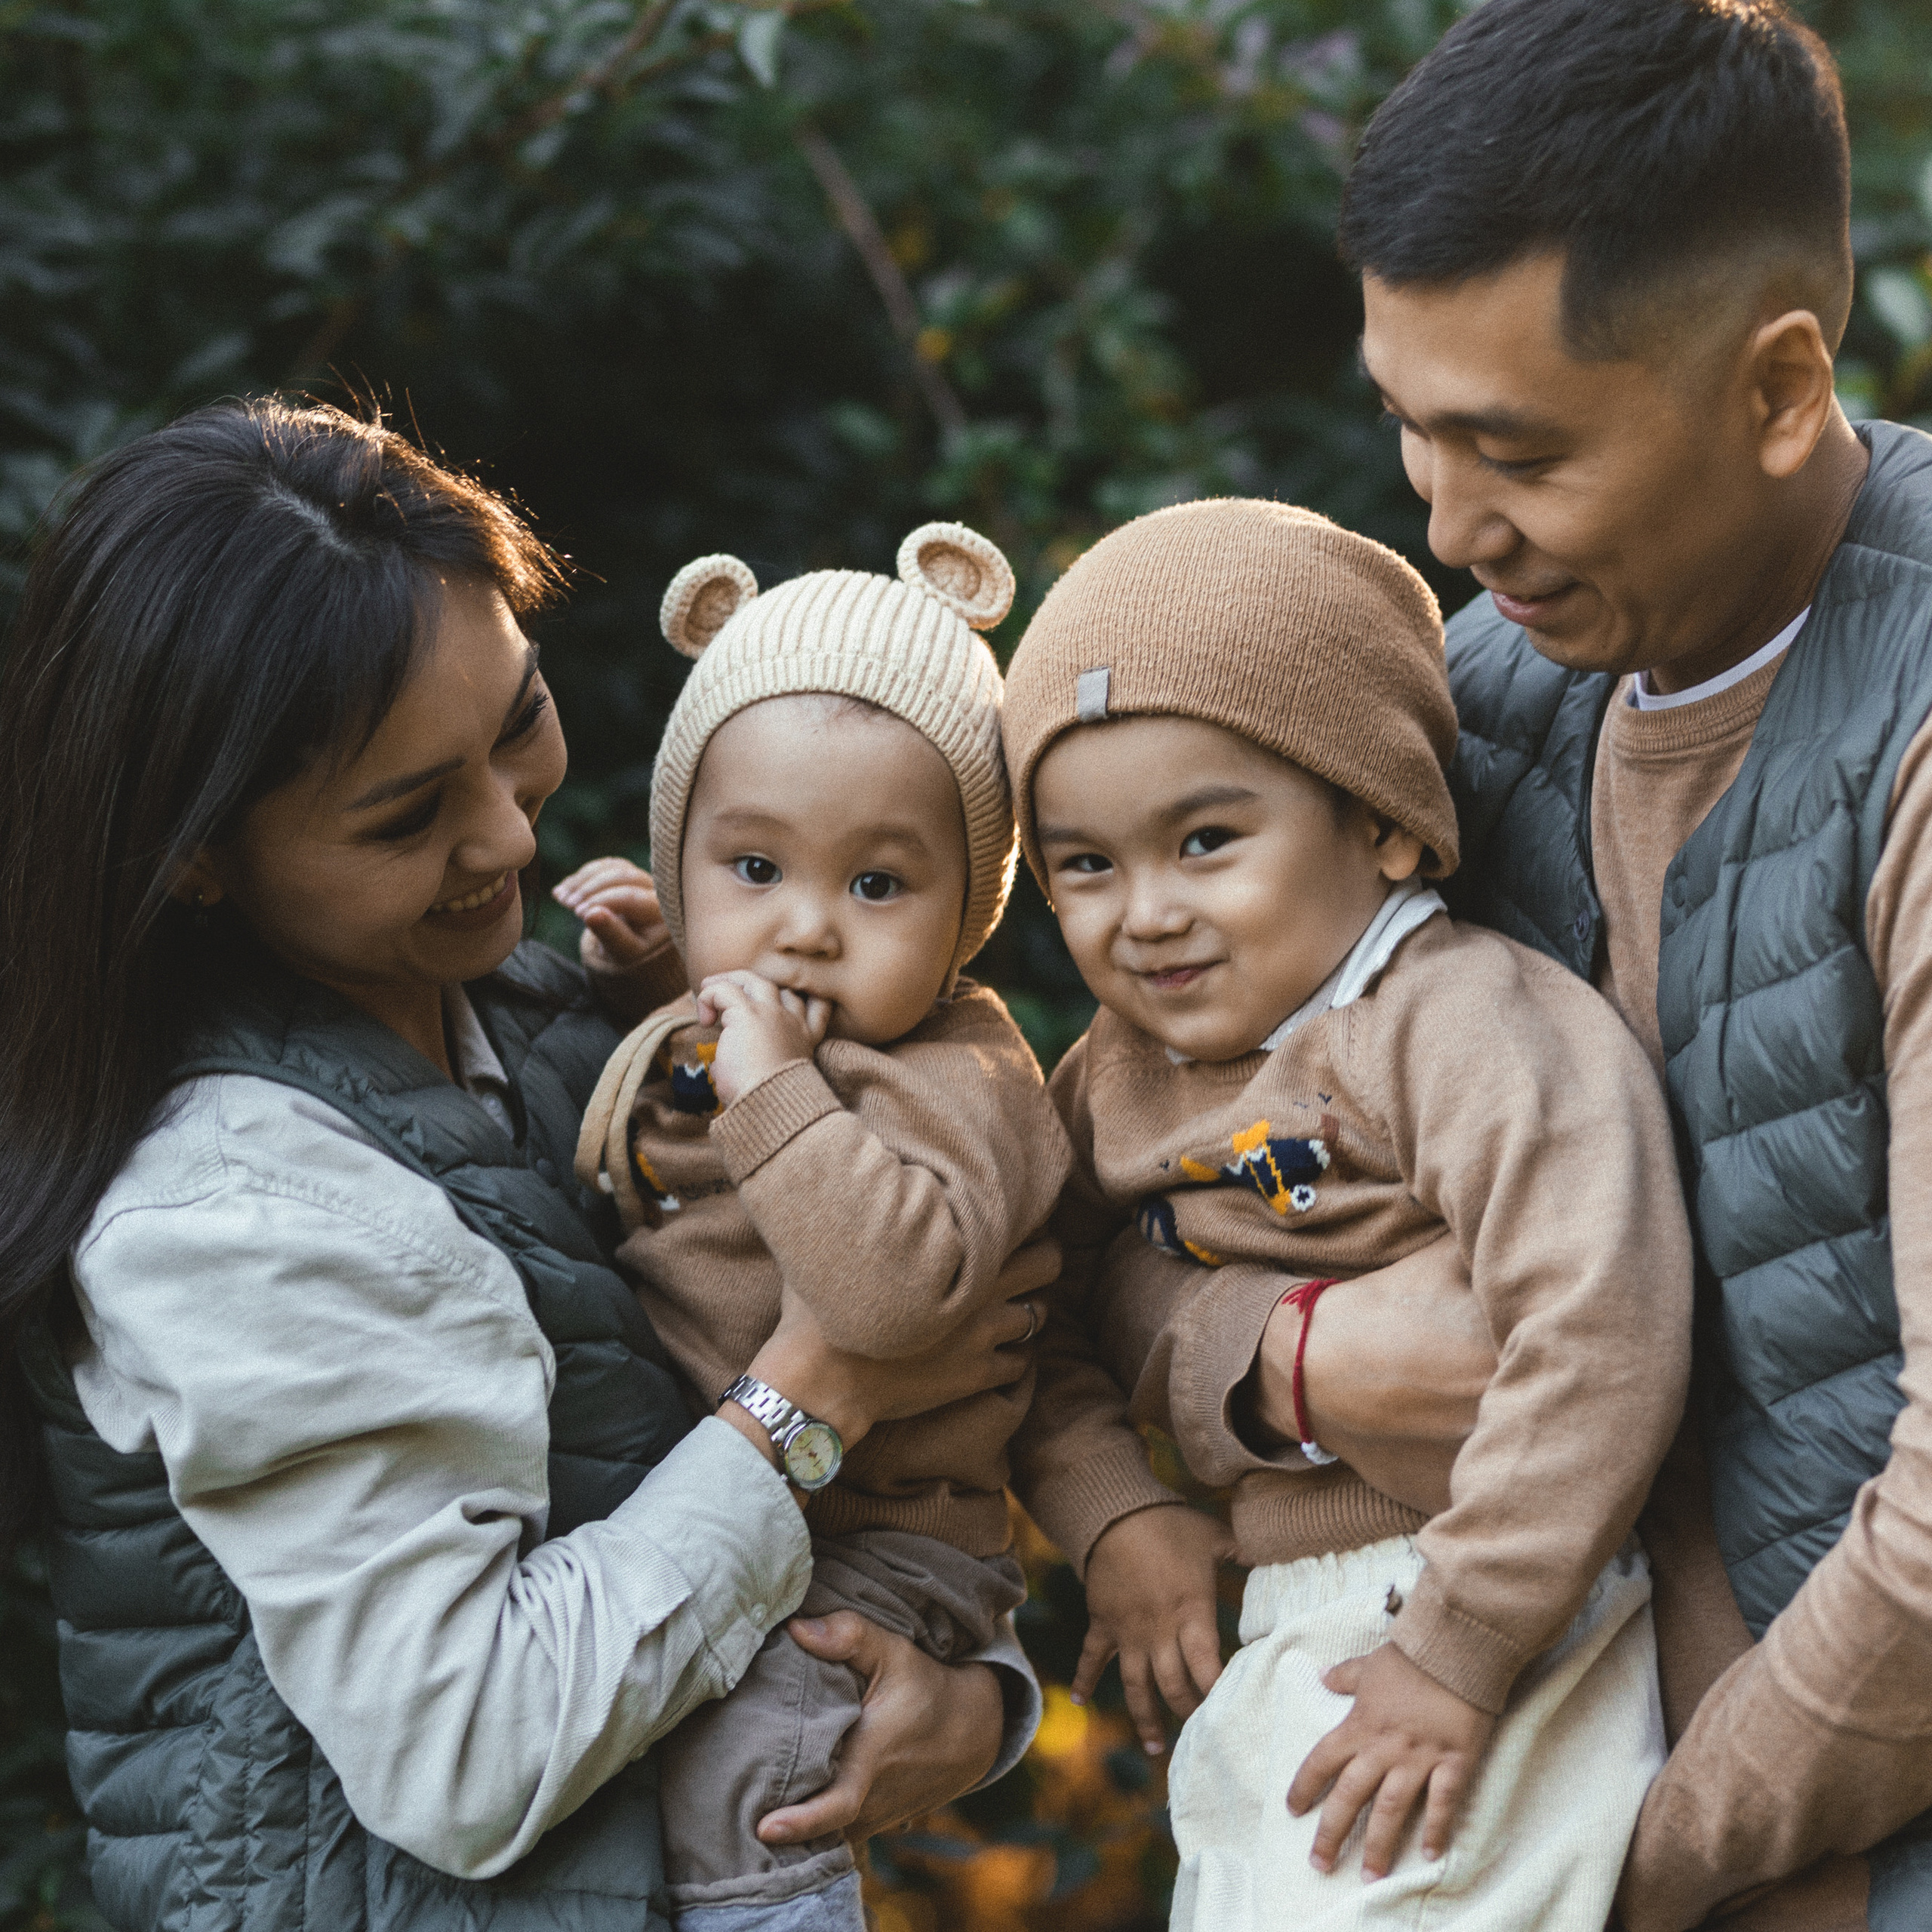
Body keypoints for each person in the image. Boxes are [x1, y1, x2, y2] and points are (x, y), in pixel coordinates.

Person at [0, 399, 1046, 1932]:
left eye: (516, 724)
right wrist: (816, 1380)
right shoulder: (231, 1209)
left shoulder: (557, 1023)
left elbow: (874, 1489)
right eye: (407, 814)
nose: (505, 834)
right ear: (201, 850)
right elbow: (471, 1752)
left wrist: (966, 1693)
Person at [1241, 0, 1932, 1925]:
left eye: (1512, 448)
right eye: (1406, 423)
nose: (1451, 528)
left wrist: (1624, 1872)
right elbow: (1167, 1167)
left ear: (1778, 386)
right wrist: (1263, 1365)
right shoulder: (1454, 718)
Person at [1000, 497, 1693, 1929]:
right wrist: (1118, 1516)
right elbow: (1019, 1319)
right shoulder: (1106, 1079)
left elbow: (1599, 1334)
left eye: (1205, 841)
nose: (1146, 913)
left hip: (1496, 1601)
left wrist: (1461, 1650)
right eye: (1086, 864)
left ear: (1380, 822)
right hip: (1279, 1624)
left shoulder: (1462, 1025)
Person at [570, 528, 1078, 1930]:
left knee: (752, 1787)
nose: (801, 932)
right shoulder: (743, 1023)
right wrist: (654, 982)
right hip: (745, 1507)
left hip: (879, 1547)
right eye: (750, 868)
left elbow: (890, 1295)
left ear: (968, 908)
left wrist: (771, 1083)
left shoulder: (958, 1078)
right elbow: (720, 1172)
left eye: (875, 886)